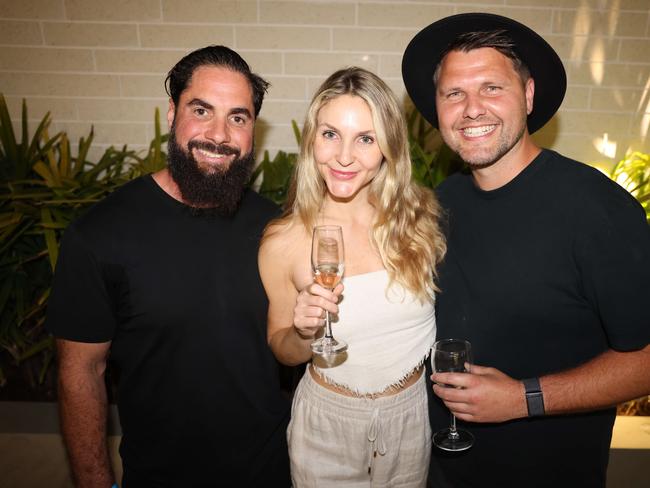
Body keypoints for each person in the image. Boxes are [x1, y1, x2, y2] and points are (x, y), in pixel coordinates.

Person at [402, 12, 650, 488]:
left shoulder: (596, 209)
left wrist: (524, 398)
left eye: (491, 88)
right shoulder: (439, 204)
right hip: (439, 472)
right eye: (454, 93)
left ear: (529, 95)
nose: (472, 108)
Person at [46, 45, 291, 487]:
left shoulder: (276, 227)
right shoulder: (100, 234)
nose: (219, 134)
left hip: (271, 471)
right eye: (201, 110)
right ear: (170, 113)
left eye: (238, 117)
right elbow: (81, 371)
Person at [258, 67, 447, 486]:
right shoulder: (283, 241)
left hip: (410, 420)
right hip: (328, 425)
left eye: (365, 138)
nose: (345, 156)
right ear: (311, 140)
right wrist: (303, 330)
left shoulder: (418, 221)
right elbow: (283, 351)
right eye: (330, 134)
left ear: (387, 147)